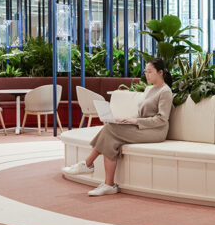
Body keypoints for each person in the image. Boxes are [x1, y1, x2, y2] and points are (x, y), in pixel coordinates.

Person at [62, 58, 174, 196]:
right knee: (111, 134)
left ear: (160, 72)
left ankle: (88, 164)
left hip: (156, 132)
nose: (147, 74)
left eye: (150, 71)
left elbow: (162, 119)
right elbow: (142, 113)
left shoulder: (165, 92)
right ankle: (108, 184)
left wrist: (135, 121)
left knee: (110, 130)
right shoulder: (149, 89)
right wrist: (125, 120)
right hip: (143, 127)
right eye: (146, 71)